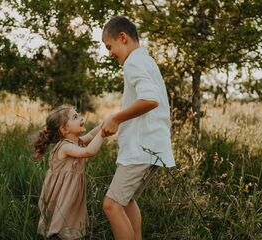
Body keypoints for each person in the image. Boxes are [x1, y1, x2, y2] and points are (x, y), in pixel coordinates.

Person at [101, 16, 176, 240]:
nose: (109, 53)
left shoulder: (134, 61)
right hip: (152, 145)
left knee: (112, 205)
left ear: (122, 38)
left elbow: (151, 99)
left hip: (141, 147)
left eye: (109, 46)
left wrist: (117, 118)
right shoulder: (146, 60)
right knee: (126, 200)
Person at [34, 104, 104, 240]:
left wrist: (104, 125)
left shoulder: (76, 142)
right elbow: (89, 152)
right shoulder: (65, 147)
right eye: (75, 117)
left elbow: (90, 135)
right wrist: (103, 133)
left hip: (71, 191)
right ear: (64, 129)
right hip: (61, 192)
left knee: (70, 220)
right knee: (60, 222)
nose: (81, 118)